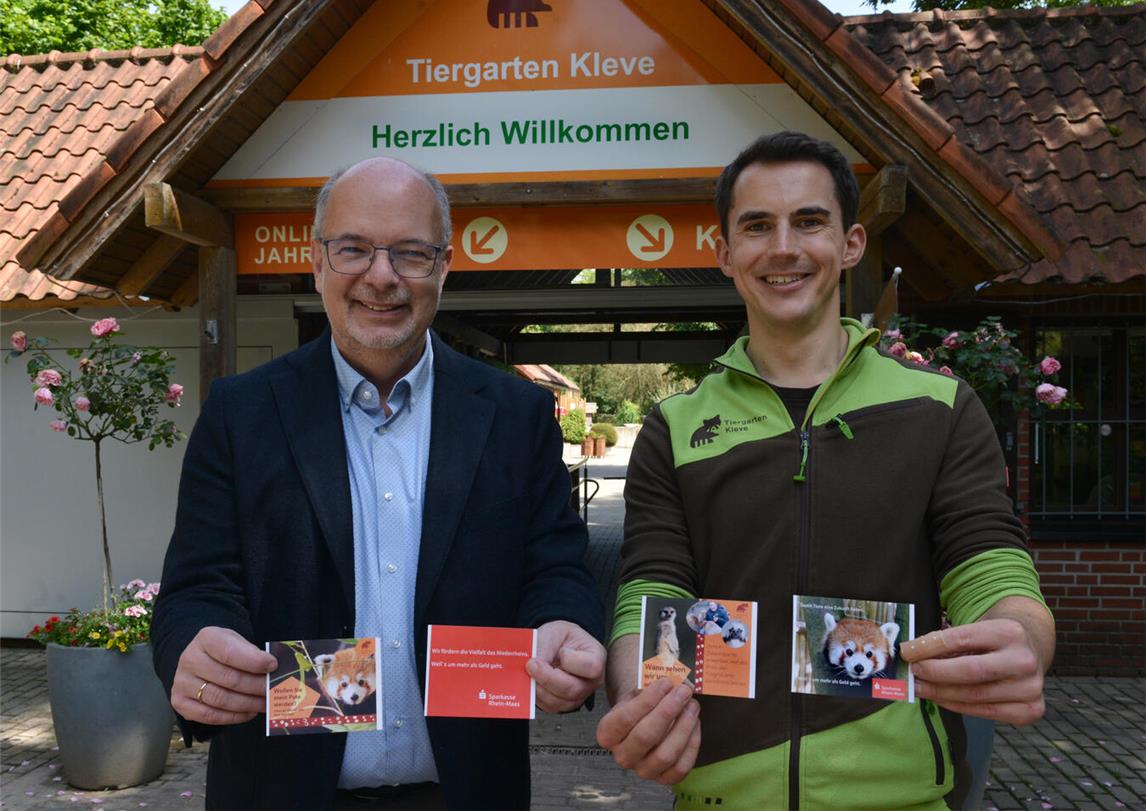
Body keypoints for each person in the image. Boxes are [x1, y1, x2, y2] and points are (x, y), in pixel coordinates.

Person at [596, 132, 1054, 809]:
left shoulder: (940, 409)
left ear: (851, 244)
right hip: (721, 793)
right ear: (724, 253)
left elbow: (991, 567)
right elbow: (652, 589)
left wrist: (1023, 640)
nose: (784, 247)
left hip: (904, 796)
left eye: (809, 221)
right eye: (757, 226)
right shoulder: (675, 426)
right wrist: (634, 687)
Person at [152, 158, 606, 810]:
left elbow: (556, 566)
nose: (382, 275)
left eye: (411, 253)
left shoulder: (515, 416)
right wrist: (195, 645)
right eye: (354, 249)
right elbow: (196, 588)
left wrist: (565, 621)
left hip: (468, 790)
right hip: (282, 790)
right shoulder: (240, 413)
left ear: (444, 267)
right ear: (317, 261)